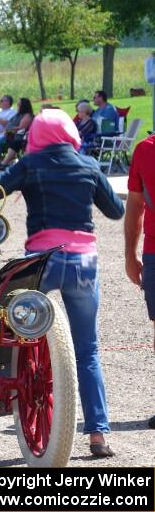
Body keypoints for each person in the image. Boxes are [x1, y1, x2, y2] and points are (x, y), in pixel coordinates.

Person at [0, 108, 125, 458]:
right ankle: (98, 435)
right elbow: (115, 212)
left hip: (42, 262)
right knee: (87, 350)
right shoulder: (87, 164)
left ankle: (15, 394)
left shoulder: (31, 165)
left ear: (37, 136)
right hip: (83, 263)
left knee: (16, 333)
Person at [122, 129, 155, 430]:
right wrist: (130, 254)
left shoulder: (146, 149)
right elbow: (134, 205)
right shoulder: (144, 150)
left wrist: (131, 255)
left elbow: (134, 204)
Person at [0, 97, 34, 169]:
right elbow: (9, 123)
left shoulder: (27, 116)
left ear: (23, 106)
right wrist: (3, 130)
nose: (17, 106)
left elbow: (21, 128)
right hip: (6, 132)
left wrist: (8, 130)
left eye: (19, 105)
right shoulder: (18, 114)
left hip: (13, 134)